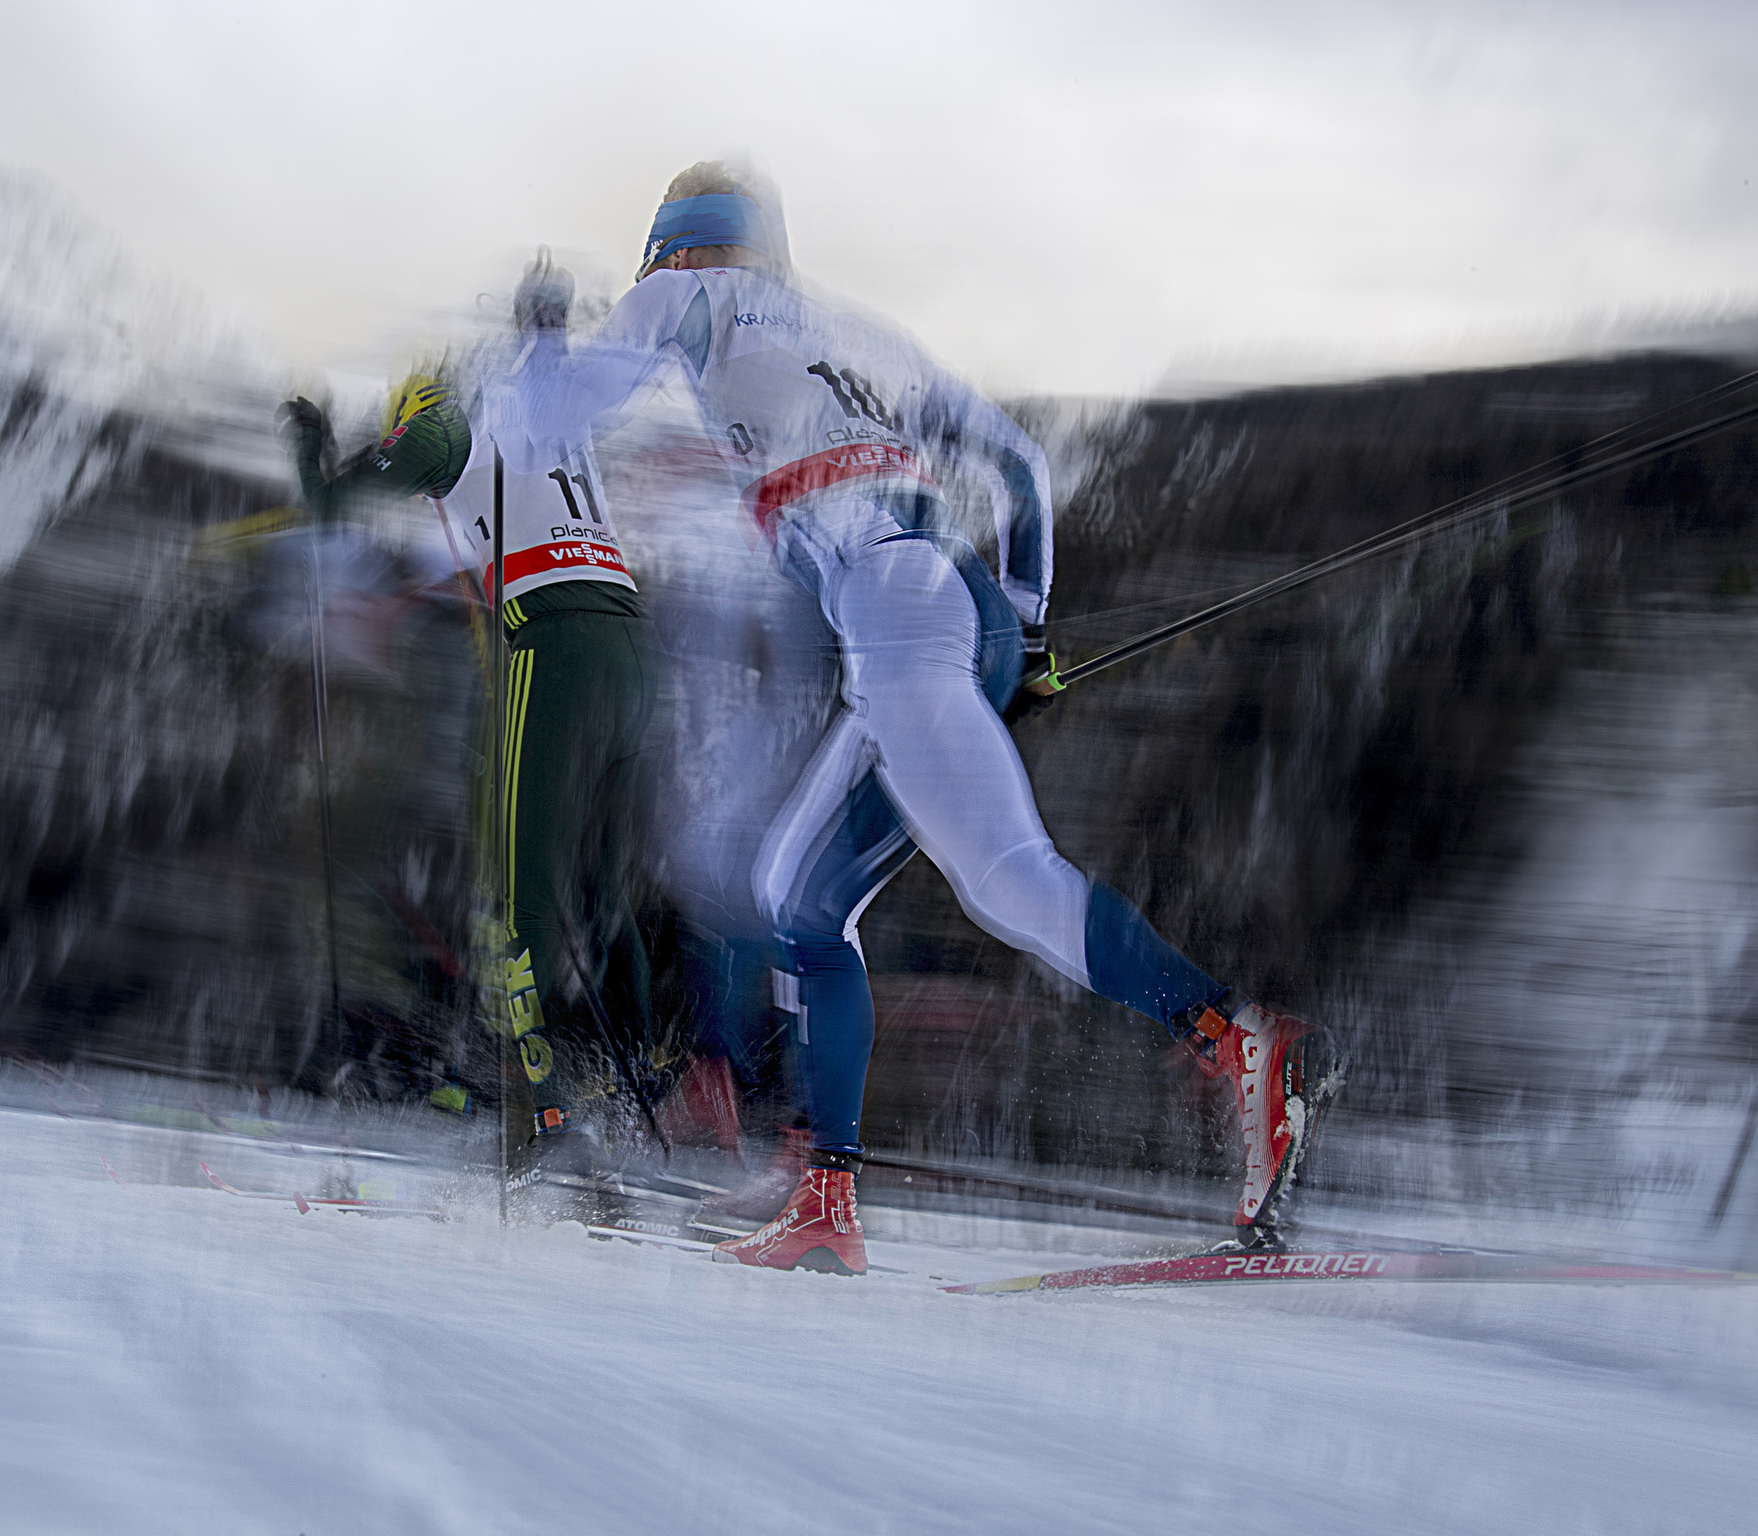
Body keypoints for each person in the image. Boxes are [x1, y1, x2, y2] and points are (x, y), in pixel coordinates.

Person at [477, 163, 1340, 1272]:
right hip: (952, 598)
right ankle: (819, 1181)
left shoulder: (689, 295)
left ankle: (1236, 1038)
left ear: (674, 250)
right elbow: (1018, 464)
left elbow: (551, 418)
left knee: (1007, 878)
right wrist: (1023, 633)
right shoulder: (861, 334)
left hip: (892, 606)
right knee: (801, 892)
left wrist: (541, 340)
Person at [279, 256, 662, 1206]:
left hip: (555, 637)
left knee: (512, 894)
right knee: (597, 885)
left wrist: (314, 446)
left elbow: (337, 499)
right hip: (628, 643)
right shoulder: (546, 418)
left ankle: (547, 1119)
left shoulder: (447, 419)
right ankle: (639, 1080)